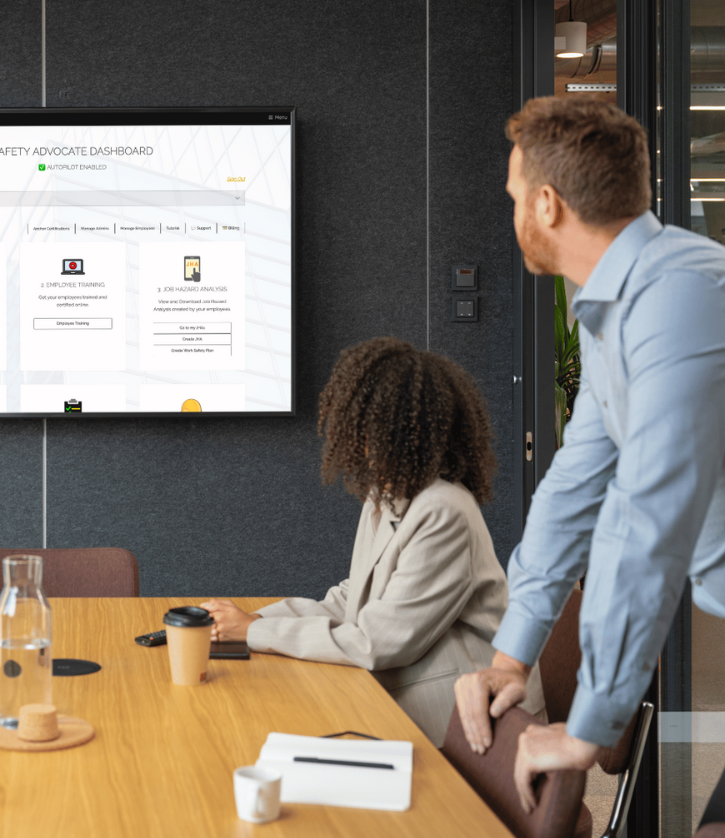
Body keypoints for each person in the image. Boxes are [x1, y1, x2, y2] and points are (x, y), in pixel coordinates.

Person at [453, 96, 725, 815]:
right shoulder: (617, 311)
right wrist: (511, 659)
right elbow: (571, 494)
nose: (511, 214)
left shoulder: (682, 299)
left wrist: (586, 726)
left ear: (546, 205)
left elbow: (646, 522)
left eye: (514, 197)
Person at [202, 337, 545, 746]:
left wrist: (254, 634)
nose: (354, 439)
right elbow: (352, 599)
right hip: (409, 697)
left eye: (365, 426)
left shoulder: (444, 511)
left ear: (400, 431)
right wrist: (253, 621)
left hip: (472, 727)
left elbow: (377, 641)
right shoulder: (386, 496)